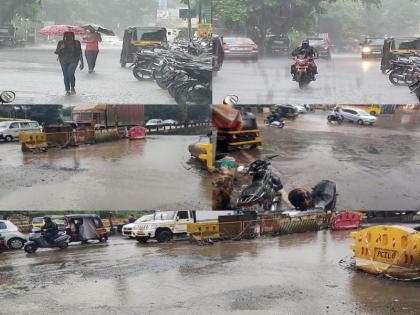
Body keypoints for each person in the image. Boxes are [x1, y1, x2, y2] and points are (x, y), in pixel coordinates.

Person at [55, 31, 84, 96]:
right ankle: (67, 90)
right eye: (66, 36)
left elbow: (80, 53)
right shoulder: (61, 42)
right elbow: (56, 52)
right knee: (65, 75)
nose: (68, 37)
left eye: (70, 36)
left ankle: (72, 87)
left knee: (70, 73)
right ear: (64, 36)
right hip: (63, 61)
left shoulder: (76, 42)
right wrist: (61, 48)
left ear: (73, 36)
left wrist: (82, 62)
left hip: (73, 60)